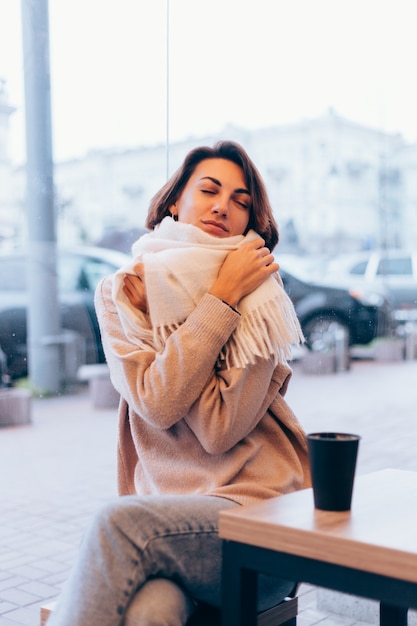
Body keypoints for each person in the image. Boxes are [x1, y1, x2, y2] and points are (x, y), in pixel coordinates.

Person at [47, 141, 311, 626]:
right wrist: (213, 305)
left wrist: (224, 295)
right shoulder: (122, 290)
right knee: (151, 612)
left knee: (115, 523)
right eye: (209, 190)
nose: (222, 206)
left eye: (240, 200)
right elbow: (156, 400)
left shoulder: (260, 297)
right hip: (168, 529)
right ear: (174, 201)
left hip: (258, 522)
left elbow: (218, 429)